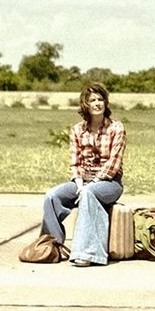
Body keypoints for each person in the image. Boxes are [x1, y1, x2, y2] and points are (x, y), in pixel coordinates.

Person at [39, 81, 125, 267]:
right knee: (52, 196)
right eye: (92, 100)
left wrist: (91, 184)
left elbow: (113, 163)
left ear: (106, 102)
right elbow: (75, 162)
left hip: (109, 183)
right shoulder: (77, 130)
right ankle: (52, 248)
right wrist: (79, 184)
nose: (97, 103)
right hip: (82, 181)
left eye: (100, 99)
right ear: (85, 105)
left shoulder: (116, 128)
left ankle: (88, 253)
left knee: (89, 193)